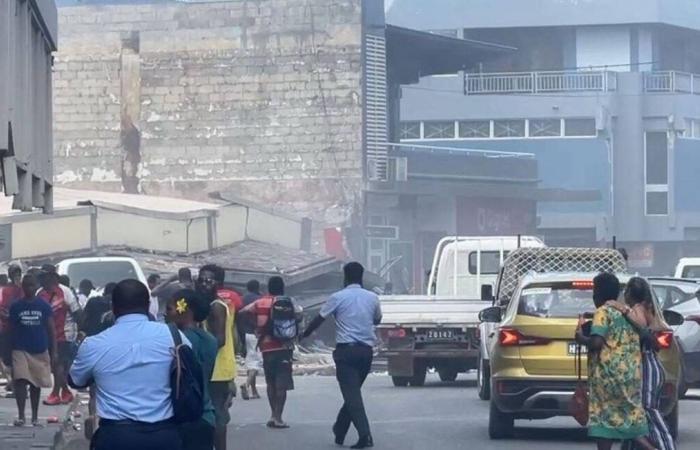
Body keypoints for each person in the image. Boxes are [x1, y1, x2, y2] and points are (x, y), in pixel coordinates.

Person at [69, 279, 188, 450]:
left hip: (116, 437)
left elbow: (75, 380)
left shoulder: (93, 344)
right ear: (148, 305)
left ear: (113, 307)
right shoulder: (174, 337)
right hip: (164, 436)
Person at [302, 262, 382, 449]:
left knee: (352, 394)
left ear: (345, 277)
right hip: (365, 353)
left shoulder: (337, 297)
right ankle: (340, 428)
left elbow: (319, 319)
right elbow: (377, 319)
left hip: (346, 352)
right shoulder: (372, 297)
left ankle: (365, 435)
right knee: (352, 393)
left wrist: (304, 335)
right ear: (361, 277)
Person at [575, 273, 654, 450]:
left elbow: (596, 342)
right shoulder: (627, 313)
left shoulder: (602, 312)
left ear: (597, 294)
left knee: (604, 425)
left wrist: (580, 337)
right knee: (629, 423)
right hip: (631, 375)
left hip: (607, 378)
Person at [607, 278, 676, 450]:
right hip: (649, 365)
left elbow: (641, 326)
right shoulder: (645, 308)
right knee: (637, 413)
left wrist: (622, 309)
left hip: (647, 366)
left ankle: (665, 445)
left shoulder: (638, 309)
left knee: (647, 410)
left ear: (630, 293)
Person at [240, 277, 299, 427]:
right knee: (282, 384)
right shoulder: (289, 301)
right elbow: (299, 315)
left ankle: (273, 415)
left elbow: (242, 312)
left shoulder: (260, 302)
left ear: (268, 288)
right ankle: (278, 418)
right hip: (284, 348)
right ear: (282, 288)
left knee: (270, 382)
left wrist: (257, 326)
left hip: (266, 347)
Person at [166, 289, 217, 450]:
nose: (166, 315)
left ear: (185, 310)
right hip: (206, 413)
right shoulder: (210, 340)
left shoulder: (178, 340)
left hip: (182, 413)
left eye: (169, 309)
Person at [197, 265, 236, 450]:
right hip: (216, 369)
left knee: (218, 418)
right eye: (201, 280)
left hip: (217, 370)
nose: (203, 284)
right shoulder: (211, 305)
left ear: (218, 284)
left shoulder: (216, 307)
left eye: (208, 280)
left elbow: (219, 340)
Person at [9, 274, 56, 427]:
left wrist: (53, 350)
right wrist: (7, 350)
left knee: (36, 384)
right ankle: (21, 415)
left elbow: (51, 329)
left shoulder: (44, 306)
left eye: (32, 285)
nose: (29, 288)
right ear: (22, 287)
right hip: (20, 349)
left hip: (39, 349)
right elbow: (11, 329)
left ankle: (35, 417)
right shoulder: (16, 306)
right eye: (26, 285)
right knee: (21, 381)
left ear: (36, 287)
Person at [38, 270, 82, 406]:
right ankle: (66, 391)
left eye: (44, 277)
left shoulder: (65, 292)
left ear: (52, 278)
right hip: (48, 335)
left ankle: (55, 394)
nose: (42, 281)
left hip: (65, 333)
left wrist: (80, 331)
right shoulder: (39, 293)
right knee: (54, 365)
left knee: (59, 363)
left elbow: (77, 313)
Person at [0, 265, 23, 393]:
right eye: (14, 274)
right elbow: (2, 308)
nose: (17, 276)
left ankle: (16, 384)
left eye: (18, 273)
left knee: (18, 357)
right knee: (7, 358)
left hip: (20, 329)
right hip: (8, 327)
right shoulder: (6, 290)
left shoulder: (23, 289)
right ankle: (13, 382)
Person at [239, 280, 262, 400]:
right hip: (256, 334)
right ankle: (246, 384)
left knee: (251, 361)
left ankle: (254, 391)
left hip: (246, 333)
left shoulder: (242, 299)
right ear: (257, 288)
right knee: (256, 363)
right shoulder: (260, 299)